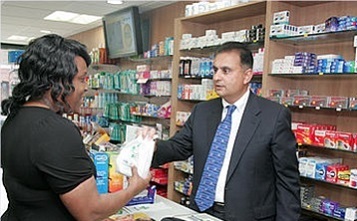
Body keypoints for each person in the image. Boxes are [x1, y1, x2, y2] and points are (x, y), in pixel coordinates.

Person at [1, 34, 151, 221]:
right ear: (56, 81)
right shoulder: (55, 130)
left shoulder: (16, 118)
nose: (85, 87)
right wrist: (135, 187)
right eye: (82, 79)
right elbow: (90, 212)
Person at [152, 41, 301, 220]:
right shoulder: (202, 111)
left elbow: (287, 180)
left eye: (226, 71)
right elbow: (178, 147)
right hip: (202, 212)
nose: (216, 77)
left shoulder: (273, 116)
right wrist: (150, 147)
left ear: (247, 76)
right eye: (215, 70)